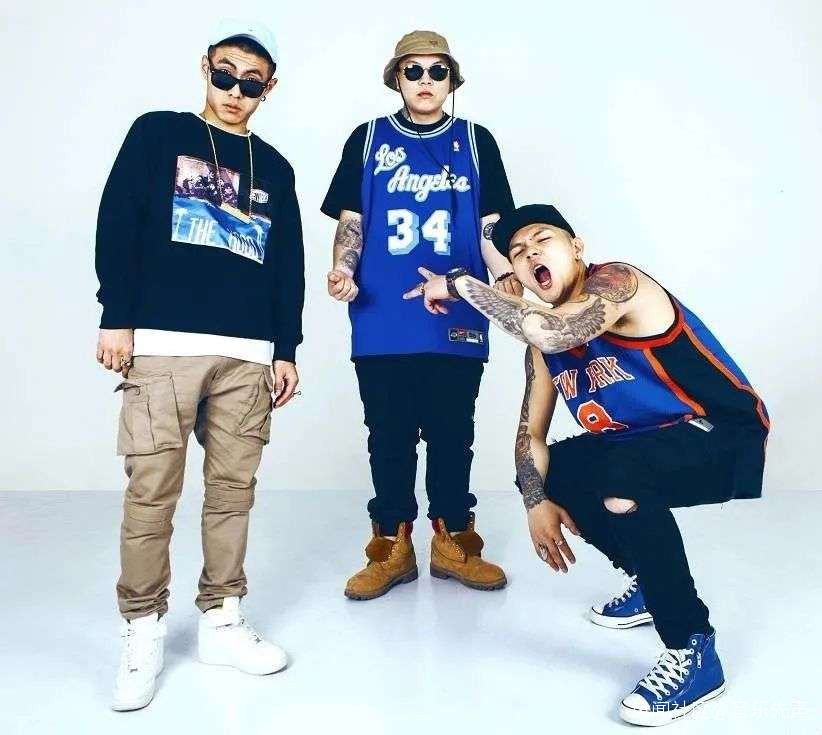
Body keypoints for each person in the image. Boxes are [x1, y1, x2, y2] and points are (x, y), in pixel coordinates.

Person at [405, 204, 769, 726]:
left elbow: (552, 331)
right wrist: (535, 502)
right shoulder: (541, 344)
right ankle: (651, 581)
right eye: (518, 252)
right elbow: (531, 435)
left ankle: (692, 649)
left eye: (543, 240)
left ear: (575, 248)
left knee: (622, 479)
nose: (531, 253)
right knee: (558, 469)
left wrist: (462, 283)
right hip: (643, 445)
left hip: (724, 433)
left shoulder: (618, 283)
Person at [95, 20, 305, 711]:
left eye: (251, 83)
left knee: (233, 491)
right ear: (206, 68)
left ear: (268, 89)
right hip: (162, 343)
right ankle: (142, 629)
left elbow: (289, 263)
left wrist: (286, 348)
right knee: (151, 492)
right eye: (225, 74)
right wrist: (116, 315)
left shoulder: (275, 167)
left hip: (247, 355)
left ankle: (222, 618)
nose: (235, 90)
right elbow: (118, 220)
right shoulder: (158, 134)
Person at [322, 30, 519, 601]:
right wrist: (343, 269)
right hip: (382, 311)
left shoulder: (475, 141)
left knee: (453, 433)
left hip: (457, 309)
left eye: (438, 71)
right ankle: (391, 545)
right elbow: (353, 220)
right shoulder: (369, 139)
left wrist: (504, 274)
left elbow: (489, 224)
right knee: (388, 435)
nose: (426, 81)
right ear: (397, 78)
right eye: (414, 71)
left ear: (452, 80)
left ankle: (455, 541)